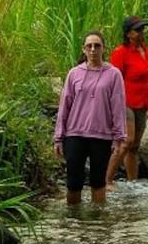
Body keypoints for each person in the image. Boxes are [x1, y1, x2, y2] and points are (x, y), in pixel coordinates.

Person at [54, 32, 126, 205]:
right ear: (84, 50)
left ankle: (97, 223)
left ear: (103, 49)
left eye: (97, 45)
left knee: (98, 181)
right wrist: (58, 137)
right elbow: (64, 106)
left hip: (101, 135)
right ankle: (74, 221)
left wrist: (119, 138)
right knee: (73, 182)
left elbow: (118, 106)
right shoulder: (74, 74)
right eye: (89, 46)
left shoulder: (114, 74)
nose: (93, 49)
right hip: (74, 134)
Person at [106, 15, 148, 186]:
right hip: (124, 102)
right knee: (126, 141)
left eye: (142, 29)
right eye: (138, 30)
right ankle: (106, 180)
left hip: (141, 102)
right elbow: (113, 80)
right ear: (128, 34)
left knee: (135, 146)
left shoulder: (145, 50)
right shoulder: (120, 52)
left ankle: (132, 183)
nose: (142, 32)